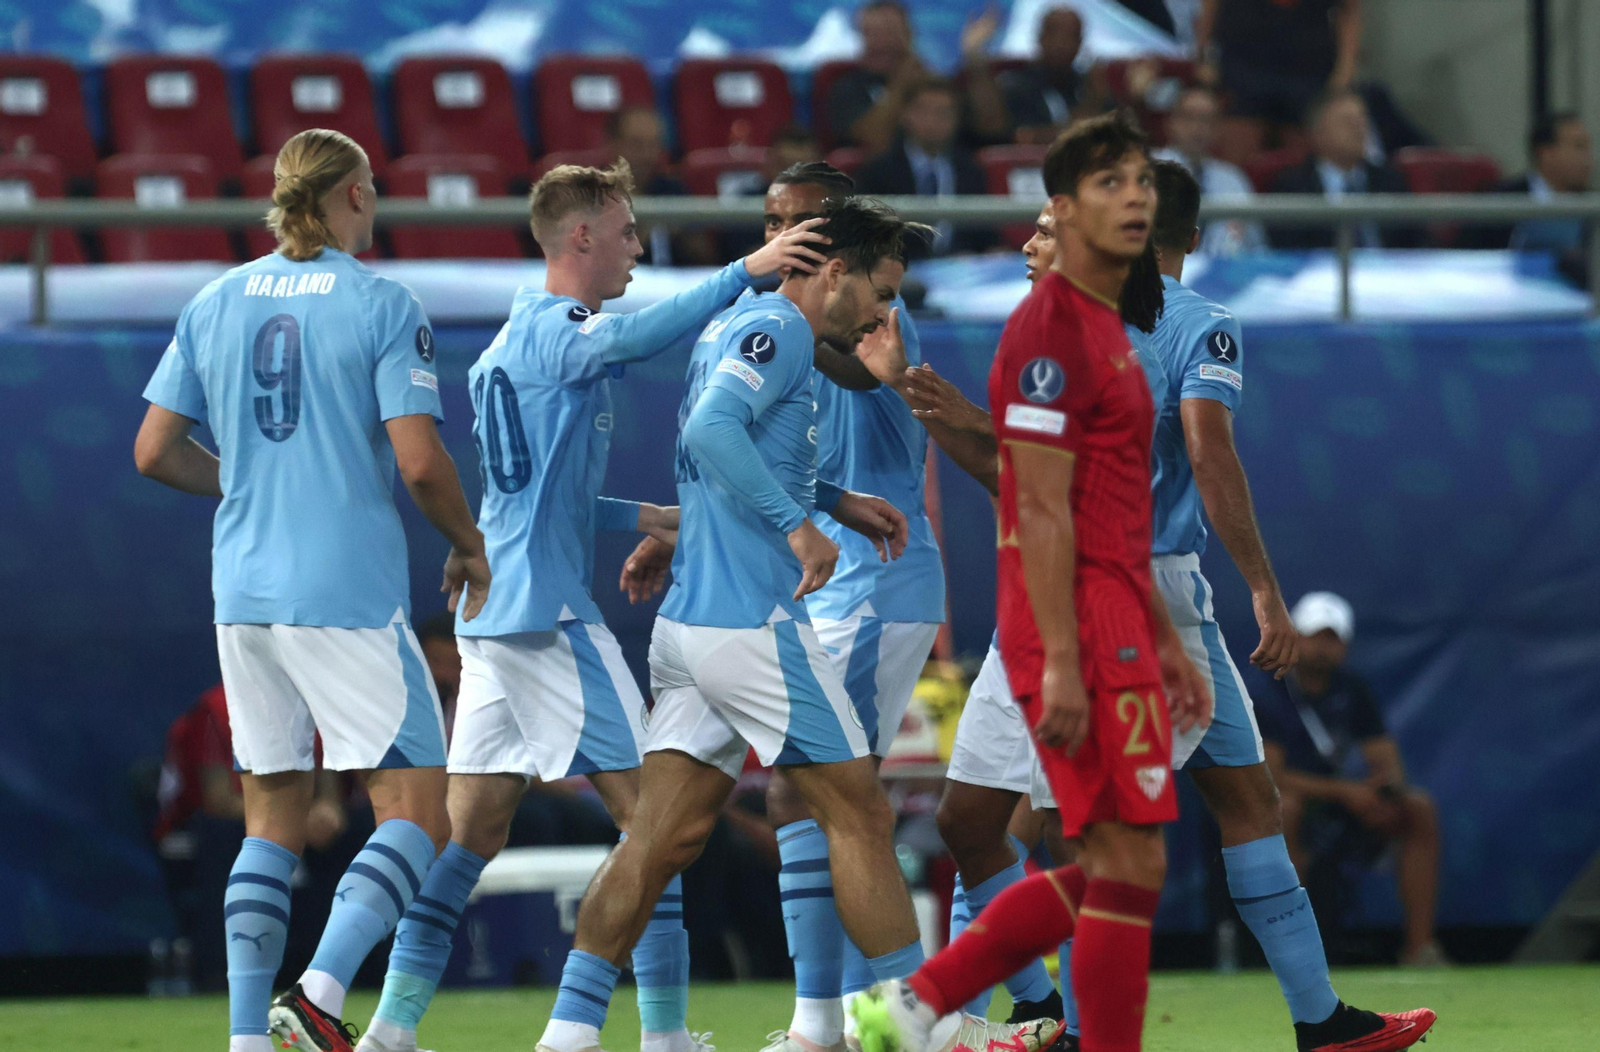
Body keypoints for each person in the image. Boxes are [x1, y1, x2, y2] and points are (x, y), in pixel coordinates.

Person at [898, 159, 1438, 1052]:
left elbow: (1072, 474)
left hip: (1122, 591)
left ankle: (1306, 1021)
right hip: (1116, 593)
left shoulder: (1106, 330)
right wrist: (1262, 586)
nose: (1043, 238)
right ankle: (984, 1009)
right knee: (1031, 827)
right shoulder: (1138, 330)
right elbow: (1186, 457)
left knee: (1220, 802)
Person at [353, 160, 832, 1052]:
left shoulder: (504, 346)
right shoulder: (563, 329)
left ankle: (388, 1031)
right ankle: (661, 1035)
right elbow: (630, 341)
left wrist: (642, 516)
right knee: (655, 825)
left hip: (494, 619)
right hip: (548, 621)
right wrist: (742, 274)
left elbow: (524, 500)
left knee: (468, 839)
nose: (639, 248)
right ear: (581, 237)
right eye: (625, 232)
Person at [851, 111, 1212, 1052]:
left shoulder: (1107, 328)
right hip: (1077, 632)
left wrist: (1168, 641)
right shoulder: (1050, 336)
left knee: (1127, 864)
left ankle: (919, 1003)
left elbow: (1108, 510)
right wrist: (1056, 661)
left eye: (1140, 182)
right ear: (1060, 207)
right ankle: (926, 1000)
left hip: (1120, 620)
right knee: (1117, 858)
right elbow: (1038, 508)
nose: (1134, 199)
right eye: (1108, 185)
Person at [531, 196, 925, 1052]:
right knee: (858, 812)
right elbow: (715, 433)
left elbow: (733, 444)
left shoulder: (734, 330)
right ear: (833, 271)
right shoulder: (779, 331)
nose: (883, 313)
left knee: (657, 838)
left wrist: (835, 499)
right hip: (750, 622)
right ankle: (921, 1020)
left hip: (688, 629)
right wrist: (798, 521)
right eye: (880, 290)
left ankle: (567, 1032)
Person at [133, 127, 492, 1052]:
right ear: (356, 197)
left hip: (242, 593)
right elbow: (420, 463)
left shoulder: (213, 299)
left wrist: (252, 481)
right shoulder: (381, 302)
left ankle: (250, 1039)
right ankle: (321, 995)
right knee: (419, 804)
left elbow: (152, 451)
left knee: (271, 814)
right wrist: (469, 541)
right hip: (342, 588)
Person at [1253, 592, 1447, 969]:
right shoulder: (1270, 691)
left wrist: (1384, 790)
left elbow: (1386, 761)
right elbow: (1270, 779)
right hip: (1294, 803)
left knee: (1417, 808)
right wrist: (1346, 792)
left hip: (1344, 806)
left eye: (1333, 638)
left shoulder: (1352, 689)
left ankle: (1420, 949)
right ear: (1294, 636)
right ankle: (1292, 954)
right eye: (1315, 636)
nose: (1324, 647)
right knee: (1284, 809)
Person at [825, 0, 1009, 154]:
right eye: (872, 33)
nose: (881, 42)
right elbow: (870, 141)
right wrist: (901, 82)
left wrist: (975, 60)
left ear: (909, 34)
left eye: (889, 31)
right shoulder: (847, 87)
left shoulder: (934, 85)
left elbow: (992, 128)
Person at [1193, 0, 1363, 163]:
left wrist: (1344, 70)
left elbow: (1348, 9)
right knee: (1237, 143)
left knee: (1301, 156)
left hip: (1306, 67)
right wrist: (1204, 54)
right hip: (1245, 60)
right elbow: (1210, 4)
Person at [855, 79, 995, 258]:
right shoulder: (878, 171)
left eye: (943, 113)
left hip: (962, 269)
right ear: (905, 114)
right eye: (923, 111)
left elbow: (986, 235)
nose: (932, 120)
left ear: (956, 119)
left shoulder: (971, 170)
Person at [1267, 89, 1413, 250]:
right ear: (1318, 133)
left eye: (1362, 120)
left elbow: (1418, 244)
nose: (1359, 129)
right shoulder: (1291, 187)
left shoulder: (1391, 180)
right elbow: (1286, 248)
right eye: (1347, 122)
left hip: (1388, 272)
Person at [1477, 112, 1593, 288]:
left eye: (1588, 148)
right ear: (1546, 153)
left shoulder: (1591, 206)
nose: (1589, 160)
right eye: (1579, 147)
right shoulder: (1498, 201)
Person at [1152, 85, 1264, 255]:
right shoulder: (1148, 170)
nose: (1198, 127)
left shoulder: (1233, 178)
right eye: (1189, 118)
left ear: (1218, 128)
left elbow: (1257, 248)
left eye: (1207, 120)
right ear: (1171, 123)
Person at [607, 106, 719, 266]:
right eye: (636, 144)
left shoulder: (674, 191)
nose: (646, 154)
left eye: (653, 145)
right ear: (612, 144)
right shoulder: (591, 196)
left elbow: (706, 257)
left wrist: (681, 233)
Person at [998, 8, 1109, 145]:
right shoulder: (1015, 86)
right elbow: (1023, 138)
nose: (1061, 44)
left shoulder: (1088, 85)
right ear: (1040, 37)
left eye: (1071, 36)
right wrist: (1090, 108)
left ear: (1080, 43)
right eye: (1054, 33)